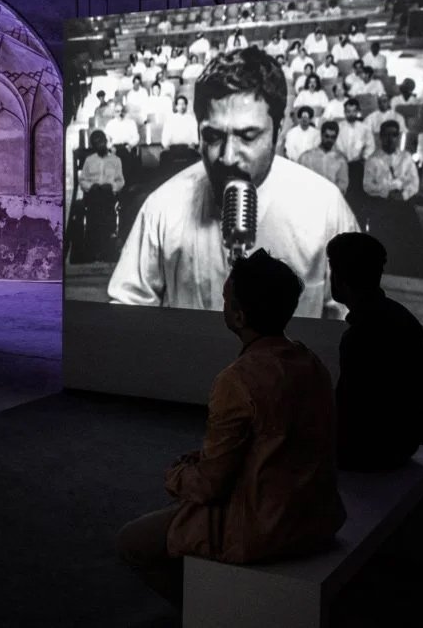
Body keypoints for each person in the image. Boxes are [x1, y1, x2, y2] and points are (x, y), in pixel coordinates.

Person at [116, 249, 346, 609]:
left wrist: (176, 475)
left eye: (225, 300)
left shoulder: (236, 381)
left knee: (133, 541)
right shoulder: (310, 362)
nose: (222, 306)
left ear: (238, 316)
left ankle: (209, 610)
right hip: (316, 514)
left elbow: (210, 485)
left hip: (263, 528)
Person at [107, 46, 359, 317]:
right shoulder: (163, 206)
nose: (227, 157)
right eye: (213, 136)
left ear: (280, 127)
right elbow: (128, 314)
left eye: (248, 136)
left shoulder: (326, 208)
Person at [326, 232, 423, 471]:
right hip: (400, 446)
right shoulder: (401, 318)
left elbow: (353, 413)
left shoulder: (361, 335)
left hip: (373, 454)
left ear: (339, 278)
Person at [363, 121, 423, 274]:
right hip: (382, 204)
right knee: (382, 237)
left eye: (394, 135)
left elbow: (414, 183)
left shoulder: (406, 157)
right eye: (386, 135)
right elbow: (368, 186)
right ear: (381, 137)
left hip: (402, 204)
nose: (390, 139)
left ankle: (407, 269)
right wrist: (386, 192)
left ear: (398, 137)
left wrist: (403, 195)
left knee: (413, 234)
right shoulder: (372, 160)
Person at [80, 130, 125, 261]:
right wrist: (90, 187)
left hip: (108, 195)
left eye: (101, 142)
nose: (99, 145)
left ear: (106, 141)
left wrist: (112, 188)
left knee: (106, 208)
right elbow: (83, 180)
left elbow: (121, 181)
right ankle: (94, 250)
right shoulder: (89, 160)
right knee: (95, 212)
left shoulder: (116, 160)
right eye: (96, 143)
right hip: (94, 194)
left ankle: (107, 249)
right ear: (93, 146)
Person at [299, 121, 349, 194]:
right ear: (321, 135)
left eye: (333, 137)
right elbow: (299, 179)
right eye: (327, 136)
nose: (329, 140)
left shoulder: (340, 160)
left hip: (329, 199)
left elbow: (342, 185)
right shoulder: (307, 156)